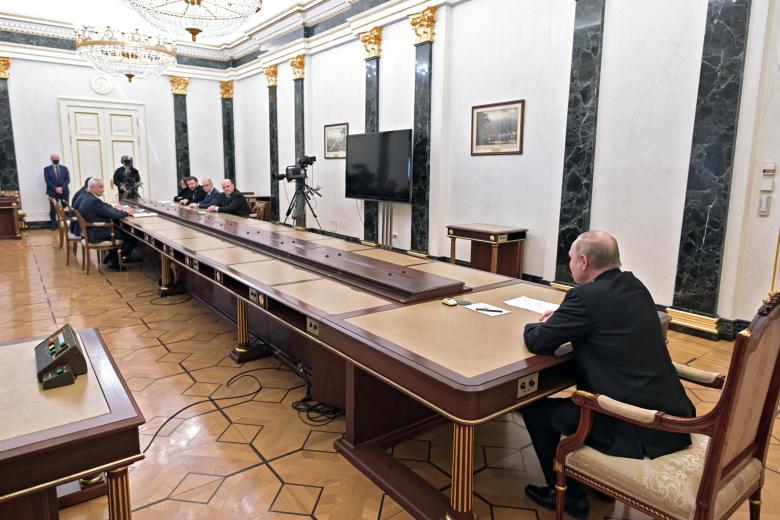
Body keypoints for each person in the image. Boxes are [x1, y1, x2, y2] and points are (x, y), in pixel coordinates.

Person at [521, 231, 695, 518]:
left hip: (632, 421)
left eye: (571, 260)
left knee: (535, 411)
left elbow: (539, 342)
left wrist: (533, 325)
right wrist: (565, 316)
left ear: (584, 261)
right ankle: (597, 484)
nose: (570, 264)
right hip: (672, 410)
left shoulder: (584, 297)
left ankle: (569, 494)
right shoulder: (636, 286)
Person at [77, 178, 137, 271]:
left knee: (124, 233)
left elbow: (104, 207)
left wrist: (114, 208)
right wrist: (126, 212)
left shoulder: (87, 197)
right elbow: (114, 214)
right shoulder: (93, 201)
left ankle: (110, 258)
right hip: (98, 233)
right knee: (132, 237)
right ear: (92, 188)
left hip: (91, 232)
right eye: (100, 187)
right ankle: (114, 262)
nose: (103, 190)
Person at [44, 154, 70, 230]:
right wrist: (55, 188)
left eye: (57, 158)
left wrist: (62, 188)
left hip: (64, 191)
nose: (56, 160)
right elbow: (47, 180)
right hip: (52, 192)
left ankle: (67, 223)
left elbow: (67, 179)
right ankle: (53, 225)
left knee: (66, 208)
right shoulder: (47, 169)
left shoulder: (64, 168)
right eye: (54, 159)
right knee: (53, 209)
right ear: (51, 159)